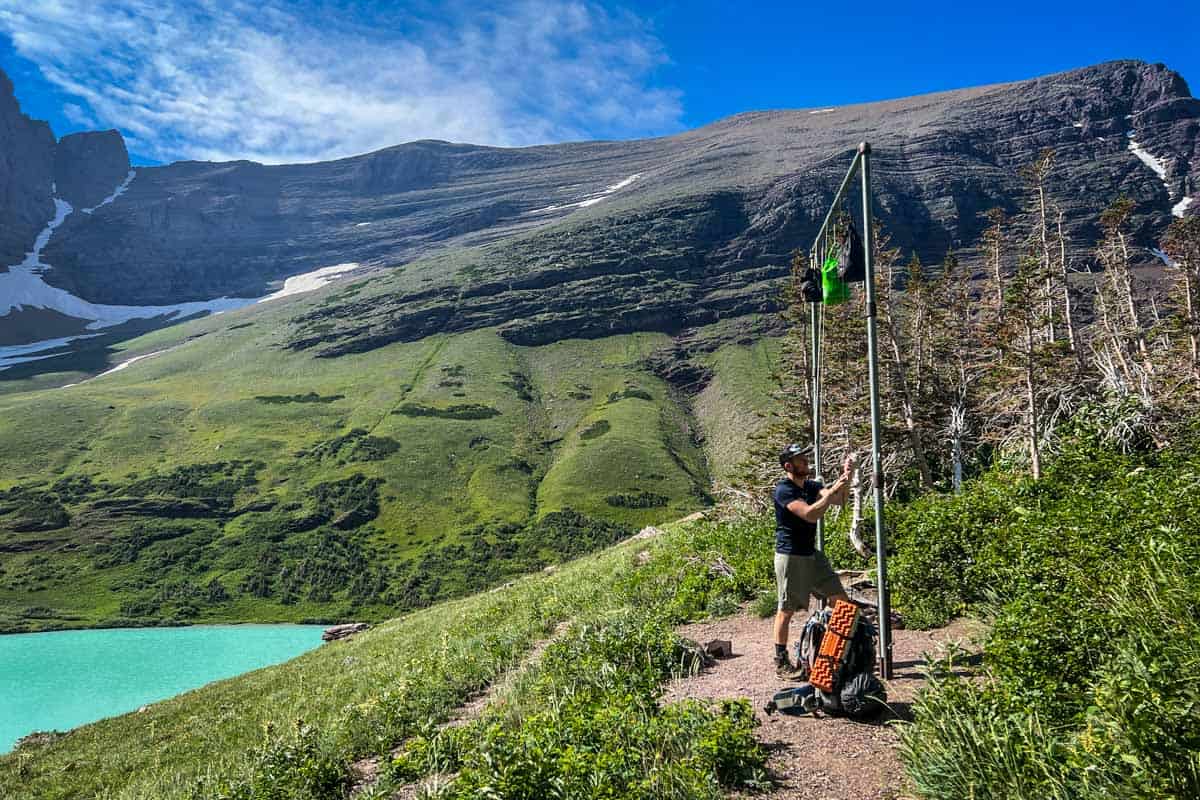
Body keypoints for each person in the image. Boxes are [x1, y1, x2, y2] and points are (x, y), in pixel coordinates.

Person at [772, 442, 852, 679]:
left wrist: (846, 478)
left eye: (805, 457)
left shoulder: (811, 485)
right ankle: (781, 662)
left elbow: (840, 500)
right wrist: (831, 491)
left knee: (841, 602)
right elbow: (809, 514)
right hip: (791, 556)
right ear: (789, 466)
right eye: (800, 459)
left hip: (811, 553)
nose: (805, 461)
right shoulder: (784, 490)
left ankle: (834, 655)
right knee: (786, 610)